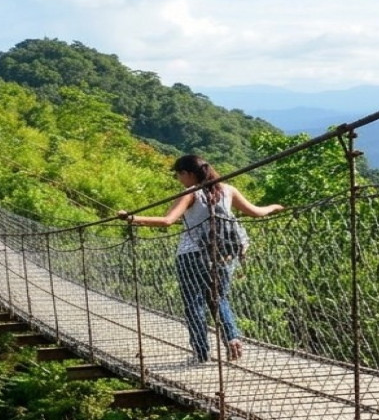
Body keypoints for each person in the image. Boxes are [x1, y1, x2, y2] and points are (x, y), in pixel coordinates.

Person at [119, 154, 284, 365]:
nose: (179, 180)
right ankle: (232, 338)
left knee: (194, 303)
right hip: (223, 255)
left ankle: (201, 353)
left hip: (192, 255)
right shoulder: (228, 190)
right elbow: (256, 212)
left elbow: (168, 221)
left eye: (179, 175)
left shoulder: (190, 193)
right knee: (219, 299)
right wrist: (274, 207)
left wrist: (132, 218)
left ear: (187, 173)